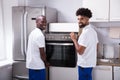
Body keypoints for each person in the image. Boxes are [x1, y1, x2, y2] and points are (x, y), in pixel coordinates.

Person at [70, 8, 99, 80]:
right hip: (89, 64)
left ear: (88, 19)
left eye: (82, 19)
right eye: (78, 19)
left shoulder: (85, 33)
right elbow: (97, 47)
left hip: (84, 65)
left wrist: (74, 40)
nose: (79, 21)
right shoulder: (93, 31)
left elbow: (80, 51)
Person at [26, 15, 49, 80]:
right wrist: (46, 62)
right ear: (36, 22)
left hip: (31, 65)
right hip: (38, 66)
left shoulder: (32, 32)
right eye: (42, 22)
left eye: (45, 22)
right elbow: (42, 53)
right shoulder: (40, 35)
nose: (44, 24)